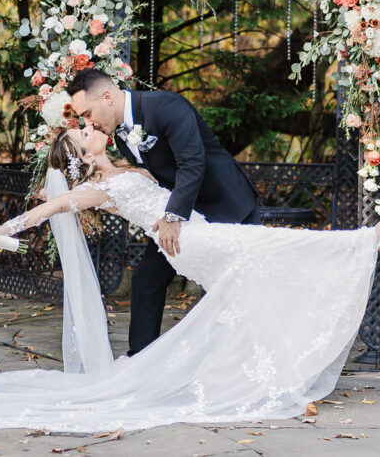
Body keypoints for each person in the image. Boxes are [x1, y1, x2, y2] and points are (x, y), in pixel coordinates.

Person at [0, 126, 380, 432]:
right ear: (80, 154)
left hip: (190, 238)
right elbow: (50, 208)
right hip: (193, 240)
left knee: (264, 271)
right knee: (267, 248)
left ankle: (256, 362)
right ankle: (365, 243)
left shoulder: (128, 160)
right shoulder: (97, 185)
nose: (88, 127)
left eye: (86, 123)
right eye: (80, 131)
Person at [67, 68, 261, 355]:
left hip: (224, 204)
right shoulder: (120, 134)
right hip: (182, 211)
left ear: (107, 97)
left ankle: (230, 362)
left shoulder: (167, 106)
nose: (88, 122)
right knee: (147, 278)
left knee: (229, 286)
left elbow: (192, 163)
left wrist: (173, 216)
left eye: (87, 113)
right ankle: (140, 361)